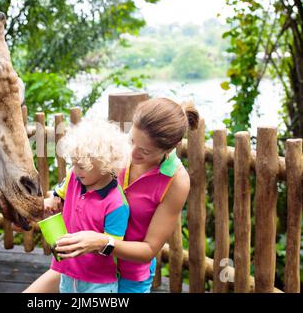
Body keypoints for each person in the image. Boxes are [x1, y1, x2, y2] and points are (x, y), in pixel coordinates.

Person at [24, 97, 199, 293]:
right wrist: (53, 201)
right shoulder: (114, 149)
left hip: (129, 276)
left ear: (170, 148)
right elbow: (77, 183)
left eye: (144, 151)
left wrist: (101, 242)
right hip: (84, 265)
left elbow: (149, 249)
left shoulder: (176, 181)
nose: (131, 154)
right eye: (132, 140)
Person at [44, 118, 131, 293]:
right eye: (73, 163)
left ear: (106, 163)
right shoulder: (73, 178)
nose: (75, 170)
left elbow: (112, 247)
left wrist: (92, 243)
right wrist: (53, 197)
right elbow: (58, 193)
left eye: (81, 165)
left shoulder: (117, 205)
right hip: (67, 273)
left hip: (98, 282)